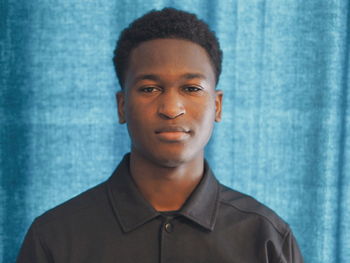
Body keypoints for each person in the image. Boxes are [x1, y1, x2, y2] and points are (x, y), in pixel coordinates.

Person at [16, 8, 304, 263]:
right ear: (121, 106)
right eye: (149, 89)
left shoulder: (267, 237)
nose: (171, 108)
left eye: (191, 88)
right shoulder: (55, 237)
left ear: (217, 105)